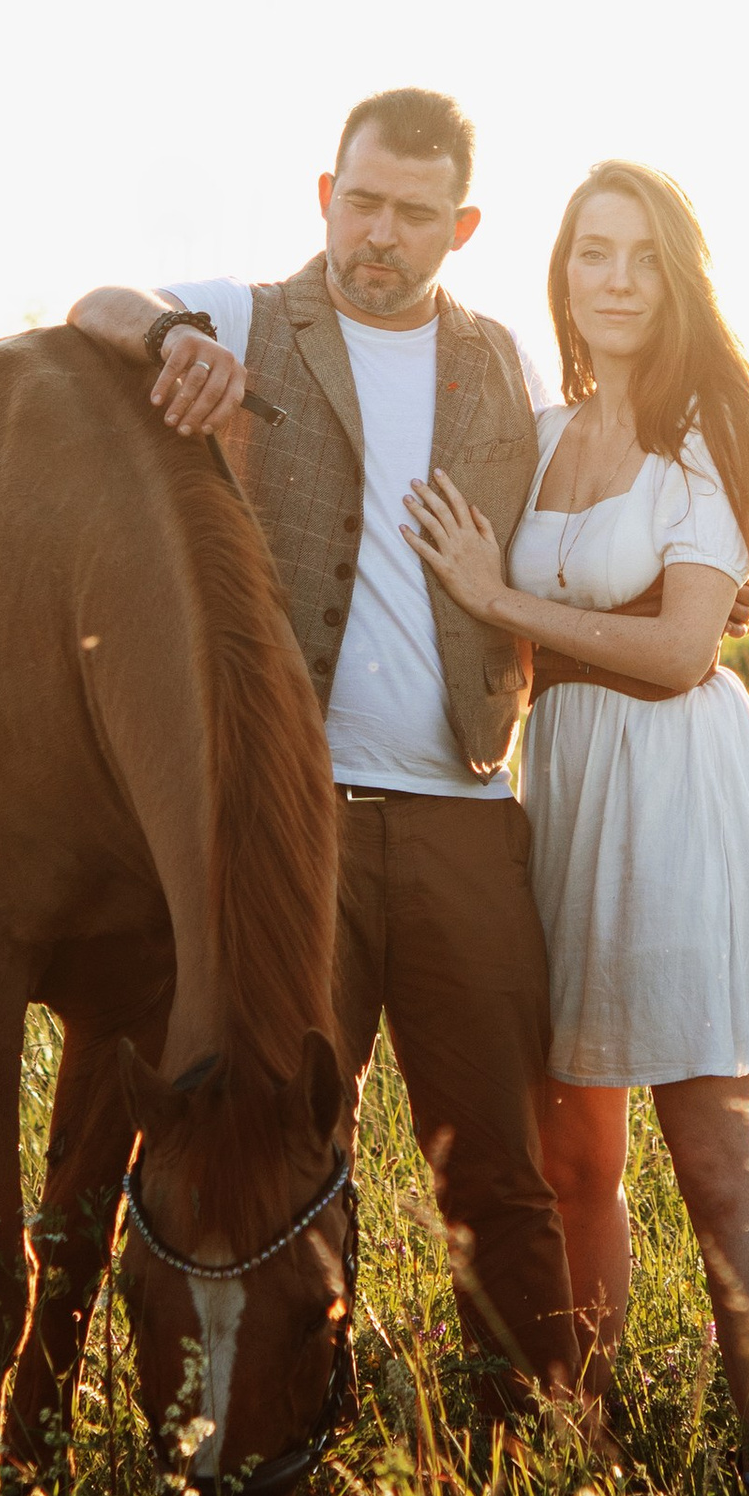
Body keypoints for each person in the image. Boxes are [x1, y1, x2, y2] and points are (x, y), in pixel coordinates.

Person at [66, 87, 581, 1411]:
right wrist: (173, 338)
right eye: (362, 203)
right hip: (295, 824)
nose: (380, 235)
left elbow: (582, 513)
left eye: (414, 213)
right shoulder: (248, 319)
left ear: (463, 226)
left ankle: (527, 1442)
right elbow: (96, 304)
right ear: (324, 197)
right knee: (289, 1148)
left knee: (498, 1162)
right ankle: (289, 1423)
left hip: (468, 809)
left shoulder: (508, 366)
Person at [400, 159, 749, 1475]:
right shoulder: (541, 436)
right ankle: (578, 1441)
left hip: (682, 790)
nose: (618, 281)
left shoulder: (712, 433)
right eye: (594, 252)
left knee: (711, 1152)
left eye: (645, 256)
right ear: (563, 273)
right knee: (574, 1155)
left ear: (680, 277)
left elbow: (683, 646)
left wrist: (498, 600)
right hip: (566, 795)